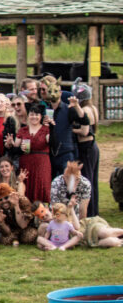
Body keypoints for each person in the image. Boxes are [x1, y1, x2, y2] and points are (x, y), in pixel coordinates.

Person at [11, 103, 51, 204]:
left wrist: (52, 128)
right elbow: (15, 147)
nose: (34, 117)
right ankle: (25, 208)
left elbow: (51, 142)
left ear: (41, 116)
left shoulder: (46, 129)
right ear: (28, 116)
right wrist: (17, 147)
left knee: (41, 184)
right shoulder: (23, 130)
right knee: (26, 184)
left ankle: (42, 210)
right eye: (32, 114)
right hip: (26, 161)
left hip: (41, 162)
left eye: (37, 115)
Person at [71, 82, 100, 217]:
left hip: (86, 147)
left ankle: (89, 212)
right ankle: (93, 211)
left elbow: (84, 131)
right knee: (92, 180)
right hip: (92, 147)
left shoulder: (85, 111)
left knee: (87, 180)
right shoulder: (93, 108)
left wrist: (71, 130)